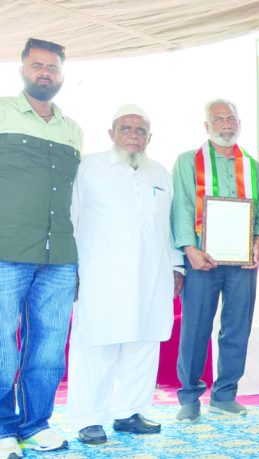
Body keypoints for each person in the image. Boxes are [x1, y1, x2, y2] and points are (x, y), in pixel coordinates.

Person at [68, 105, 183, 444]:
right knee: (97, 343)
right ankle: (89, 419)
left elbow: (168, 224)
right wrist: (70, 267)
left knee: (143, 342)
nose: (134, 135)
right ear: (111, 134)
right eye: (126, 128)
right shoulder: (89, 167)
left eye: (141, 130)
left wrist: (176, 266)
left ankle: (129, 411)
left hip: (152, 274)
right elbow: (71, 217)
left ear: (150, 137)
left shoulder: (159, 173)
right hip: (100, 273)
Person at [171, 99, 259, 423]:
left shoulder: (254, 167)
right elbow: (182, 206)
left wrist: (258, 241)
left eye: (231, 118)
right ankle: (189, 397)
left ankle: (225, 395)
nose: (226, 124)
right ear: (207, 126)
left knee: (237, 328)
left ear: (239, 123)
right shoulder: (188, 162)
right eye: (218, 119)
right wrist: (189, 249)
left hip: (242, 262)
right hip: (201, 259)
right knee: (195, 328)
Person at [0, 38, 82, 457]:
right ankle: (2, 428)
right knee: (1, 345)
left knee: (49, 347)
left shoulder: (73, 129)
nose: (45, 73)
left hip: (59, 257)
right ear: (22, 70)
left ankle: (36, 424)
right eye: (37, 65)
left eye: (52, 67)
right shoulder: (2, 112)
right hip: (6, 250)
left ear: (61, 75)